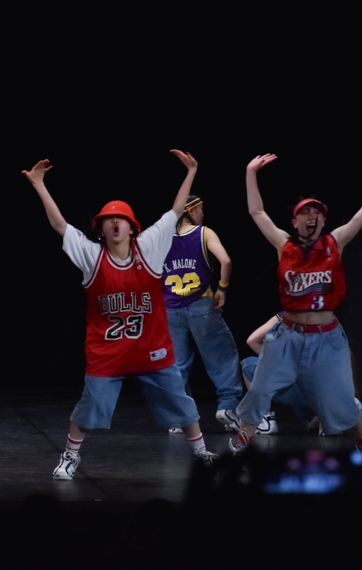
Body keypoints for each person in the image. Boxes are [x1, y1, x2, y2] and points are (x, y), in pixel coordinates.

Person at [23, 151, 218, 481]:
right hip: (108, 353)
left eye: (121, 219)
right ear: (101, 228)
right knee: (90, 406)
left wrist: (191, 172)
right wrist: (39, 185)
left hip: (150, 349)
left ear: (132, 227)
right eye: (108, 220)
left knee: (180, 402)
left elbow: (174, 212)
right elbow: (59, 225)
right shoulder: (91, 256)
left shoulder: (150, 247)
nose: (115, 223)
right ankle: (70, 455)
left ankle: (201, 453)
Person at [230, 155, 362, 453]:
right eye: (305, 212)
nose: (312, 216)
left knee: (343, 397)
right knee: (260, 389)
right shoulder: (284, 245)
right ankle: (244, 440)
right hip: (287, 335)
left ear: (324, 220)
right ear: (294, 221)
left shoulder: (336, 242)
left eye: (317, 212)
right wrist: (250, 173)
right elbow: (256, 211)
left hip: (326, 337)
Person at [161, 195, 256, 432]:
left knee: (177, 364)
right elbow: (226, 261)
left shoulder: (162, 237)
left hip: (170, 309)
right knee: (221, 356)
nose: (203, 213)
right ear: (191, 210)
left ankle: (180, 418)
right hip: (201, 305)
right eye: (201, 209)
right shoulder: (204, 233)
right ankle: (228, 406)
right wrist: (222, 288)